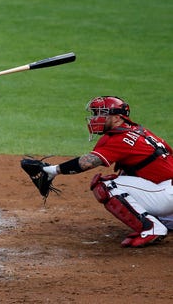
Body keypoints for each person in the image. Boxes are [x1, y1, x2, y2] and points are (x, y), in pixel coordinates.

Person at [41, 96, 173, 247]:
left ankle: (151, 228)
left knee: (106, 185)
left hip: (166, 195)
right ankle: (166, 218)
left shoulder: (120, 139)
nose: (95, 118)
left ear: (117, 118)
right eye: (95, 113)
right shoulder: (141, 131)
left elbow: (87, 163)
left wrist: (52, 170)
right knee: (125, 174)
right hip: (167, 191)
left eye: (100, 114)